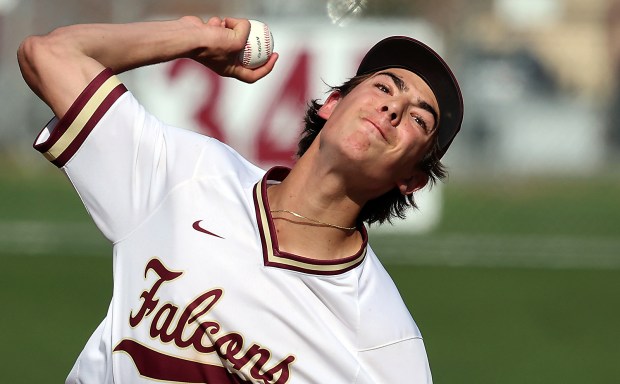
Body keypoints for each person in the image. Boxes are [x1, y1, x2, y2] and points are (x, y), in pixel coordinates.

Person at [18, 16, 463, 384]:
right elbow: (48, 55)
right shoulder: (188, 175)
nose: (393, 109)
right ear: (331, 103)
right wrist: (196, 39)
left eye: (419, 119)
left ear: (413, 179)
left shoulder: (386, 344)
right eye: (384, 88)